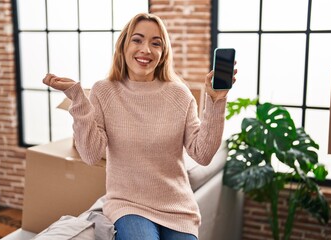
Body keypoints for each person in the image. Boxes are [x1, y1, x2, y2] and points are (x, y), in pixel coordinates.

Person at [43, 12, 237, 240]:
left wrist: (216, 101)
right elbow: (91, 154)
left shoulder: (179, 94)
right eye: (137, 40)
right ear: (123, 45)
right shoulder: (104, 91)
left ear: (163, 53)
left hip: (177, 207)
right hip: (129, 204)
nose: (146, 49)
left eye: (156, 43)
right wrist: (78, 99)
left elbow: (202, 154)